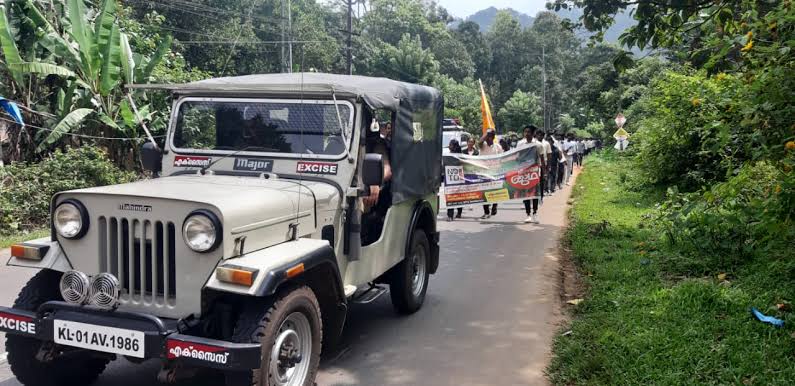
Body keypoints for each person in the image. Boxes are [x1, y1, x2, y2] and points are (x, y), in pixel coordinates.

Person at [517, 125, 546, 223]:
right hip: (524, 172)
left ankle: (535, 213)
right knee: (525, 193)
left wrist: (544, 172)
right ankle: (528, 214)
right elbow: (517, 157)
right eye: (525, 132)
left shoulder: (538, 145)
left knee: (534, 193)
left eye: (528, 132)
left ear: (533, 133)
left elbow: (542, 159)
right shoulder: (520, 144)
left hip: (535, 172)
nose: (526, 134)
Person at [478, 128, 503, 219]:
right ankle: (486, 212)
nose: (488, 138)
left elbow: (502, 159)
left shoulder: (498, 147)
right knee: (484, 192)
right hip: (484, 172)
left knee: (495, 191)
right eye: (487, 136)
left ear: (493, 137)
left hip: (495, 173)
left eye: (490, 136)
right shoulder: (482, 145)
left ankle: (494, 206)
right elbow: (479, 142)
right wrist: (486, 133)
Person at [445, 139, 464, 221]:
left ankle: (459, 212)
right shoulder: (448, 155)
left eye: (450, 144)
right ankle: (450, 215)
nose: (449, 146)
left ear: (454, 146)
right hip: (450, 179)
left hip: (458, 179)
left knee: (459, 197)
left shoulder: (461, 156)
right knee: (450, 196)